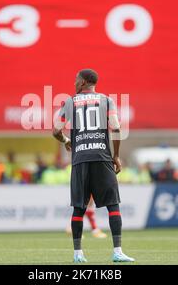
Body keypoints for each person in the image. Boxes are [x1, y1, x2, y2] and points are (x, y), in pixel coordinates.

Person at [52, 68, 135, 263]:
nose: (74, 82)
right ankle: (117, 252)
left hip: (80, 159)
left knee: (79, 208)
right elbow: (115, 127)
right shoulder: (107, 100)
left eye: (76, 79)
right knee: (113, 205)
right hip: (102, 157)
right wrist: (116, 156)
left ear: (83, 82)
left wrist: (66, 141)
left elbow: (55, 130)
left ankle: (78, 254)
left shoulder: (70, 102)